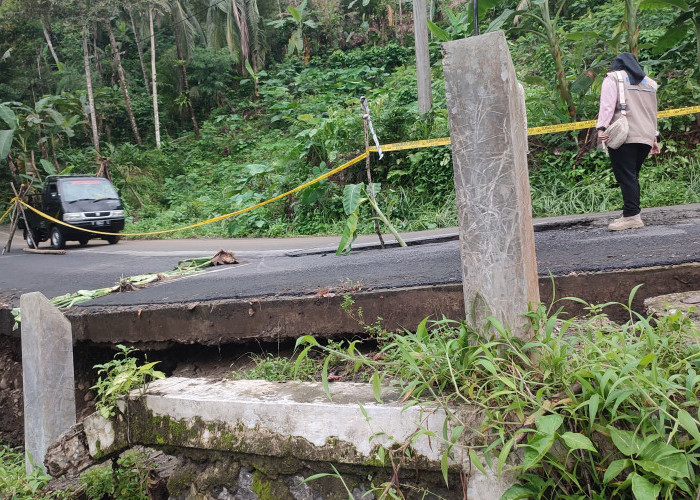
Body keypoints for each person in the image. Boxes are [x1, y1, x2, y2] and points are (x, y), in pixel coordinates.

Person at [597, 52, 660, 231]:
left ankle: (632, 216)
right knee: (631, 176)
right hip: (646, 136)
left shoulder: (613, 78)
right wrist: (654, 137)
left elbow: (607, 106)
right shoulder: (650, 83)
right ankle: (630, 213)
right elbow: (651, 112)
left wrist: (601, 128)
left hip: (625, 135)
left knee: (626, 176)